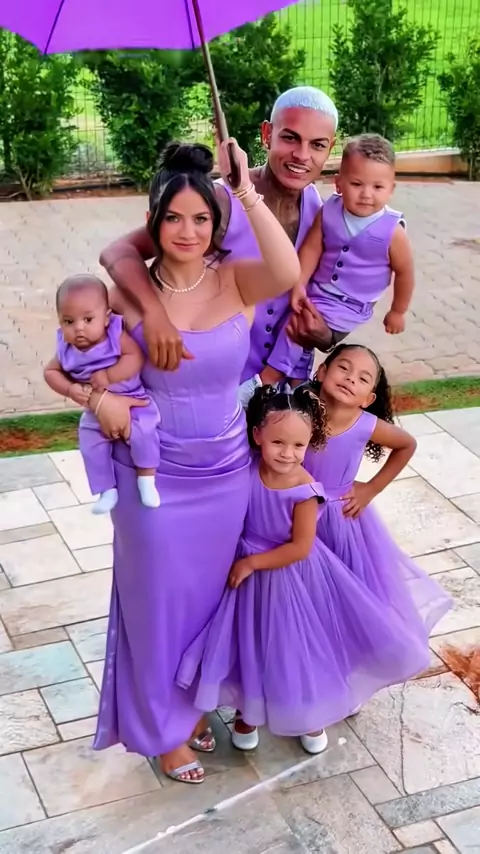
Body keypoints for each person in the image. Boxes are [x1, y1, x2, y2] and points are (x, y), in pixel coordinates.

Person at [77, 138, 301, 785]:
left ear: (217, 222)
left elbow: (286, 269)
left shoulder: (236, 278)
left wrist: (245, 189)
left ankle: (193, 704)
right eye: (172, 218)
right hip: (153, 475)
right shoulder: (127, 294)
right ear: (152, 223)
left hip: (225, 474)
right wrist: (100, 397)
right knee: (156, 606)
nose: (187, 231)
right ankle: (161, 730)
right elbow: (81, 365)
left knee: (206, 602)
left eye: (201, 218)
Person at [177, 385, 448, 754]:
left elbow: (300, 548)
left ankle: (310, 712)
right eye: (278, 442)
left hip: (291, 578)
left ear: (309, 444)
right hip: (248, 578)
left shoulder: (306, 490)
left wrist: (251, 562)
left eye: (298, 445)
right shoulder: (246, 470)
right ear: (257, 436)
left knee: (296, 646)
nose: (287, 453)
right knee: (250, 643)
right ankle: (248, 711)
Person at [98, 87, 338, 392]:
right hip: (216, 384)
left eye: (317, 145)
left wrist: (326, 337)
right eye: (290, 138)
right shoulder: (218, 201)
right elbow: (118, 252)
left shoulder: (321, 210)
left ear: (330, 148)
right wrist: (153, 313)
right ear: (267, 134)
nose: (302, 155)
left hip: (285, 388)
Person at [304, 343, 452, 644]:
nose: (350, 378)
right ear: (321, 372)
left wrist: (371, 488)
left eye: (362, 378)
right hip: (292, 511)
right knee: (301, 582)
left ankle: (338, 640)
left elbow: (407, 444)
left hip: (337, 519)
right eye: (343, 368)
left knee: (340, 586)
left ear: (368, 398)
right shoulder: (298, 411)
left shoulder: (365, 425)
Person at [260, 134, 415, 387]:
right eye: (357, 184)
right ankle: (298, 383)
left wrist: (398, 311)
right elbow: (311, 249)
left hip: (350, 304)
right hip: (318, 290)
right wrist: (299, 284)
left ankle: (268, 379)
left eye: (377, 187)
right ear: (338, 183)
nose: (366, 194)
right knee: (290, 316)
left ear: (391, 189)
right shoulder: (330, 210)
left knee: (297, 326)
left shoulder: (393, 231)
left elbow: (405, 273)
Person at [44, 275, 161, 514]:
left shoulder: (115, 336)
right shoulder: (66, 349)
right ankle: (106, 489)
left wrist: (109, 376)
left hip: (133, 400)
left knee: (144, 432)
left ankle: (146, 479)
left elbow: (135, 357)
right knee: (90, 443)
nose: (79, 328)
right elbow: (50, 372)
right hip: (95, 411)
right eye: (68, 321)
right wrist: (70, 389)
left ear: (106, 318)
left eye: (88, 319)